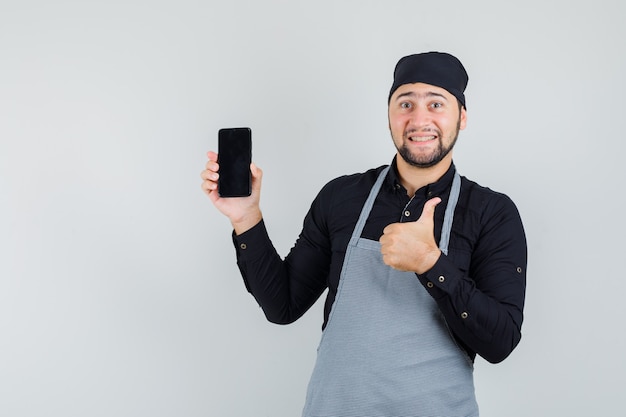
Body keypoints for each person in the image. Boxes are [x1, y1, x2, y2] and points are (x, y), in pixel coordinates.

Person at [201, 51, 527, 417]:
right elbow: (283, 306)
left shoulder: (491, 213)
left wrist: (430, 264)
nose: (420, 119)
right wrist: (246, 218)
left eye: (436, 103)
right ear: (389, 115)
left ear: (461, 117)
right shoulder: (342, 197)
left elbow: (500, 342)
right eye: (406, 103)